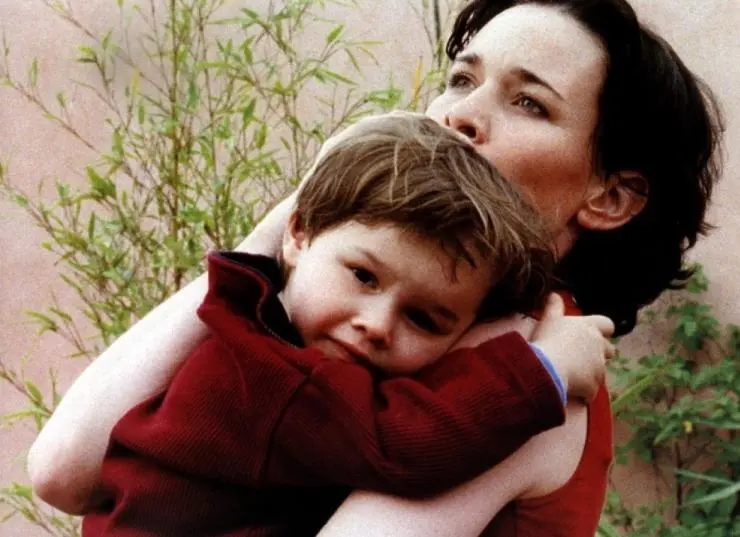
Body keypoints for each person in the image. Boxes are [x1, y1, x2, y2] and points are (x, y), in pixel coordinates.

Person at [28, 0, 724, 536]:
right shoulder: (368, 311)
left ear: (609, 196)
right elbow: (62, 469)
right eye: (461, 79)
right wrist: (310, 204)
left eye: (527, 102)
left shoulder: (535, 365)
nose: (458, 116)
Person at [79, 113, 610, 536]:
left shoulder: (264, 333)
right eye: (363, 276)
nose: (377, 325)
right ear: (298, 234)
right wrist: (544, 369)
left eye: (424, 319)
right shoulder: (271, 378)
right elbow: (401, 441)